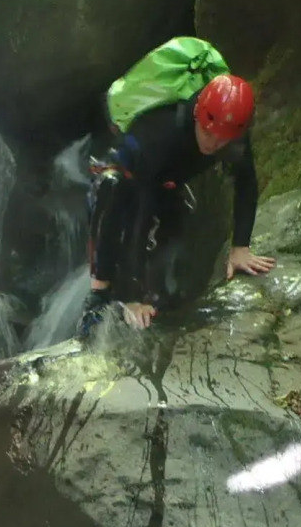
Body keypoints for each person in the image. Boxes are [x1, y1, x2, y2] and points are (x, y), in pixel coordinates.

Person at [80, 73, 277, 334]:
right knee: (114, 192)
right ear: (197, 115)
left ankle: (160, 299)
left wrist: (240, 246)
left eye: (222, 138)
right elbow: (140, 212)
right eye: (208, 132)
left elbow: (246, 183)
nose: (213, 143)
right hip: (122, 177)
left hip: (164, 182)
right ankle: (98, 296)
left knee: (175, 226)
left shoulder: (233, 134)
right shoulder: (163, 134)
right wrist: (131, 296)